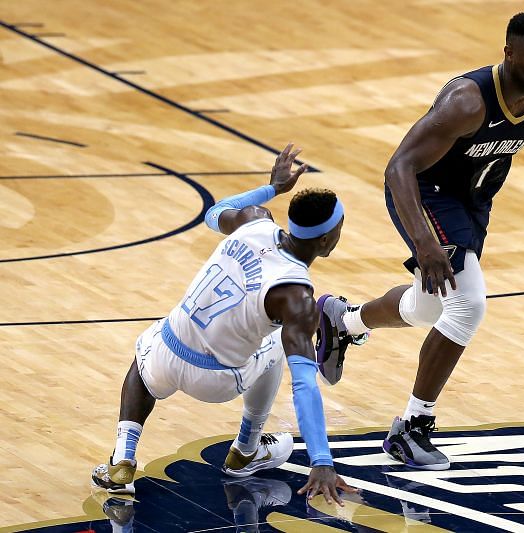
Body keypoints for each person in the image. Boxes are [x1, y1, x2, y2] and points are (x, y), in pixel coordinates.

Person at [315, 11, 524, 470]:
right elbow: (399, 168)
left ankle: (343, 322)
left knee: (431, 306)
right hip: (423, 193)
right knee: (468, 304)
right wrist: (424, 241)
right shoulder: (467, 101)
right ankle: (412, 427)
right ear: (508, 53)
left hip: (473, 202)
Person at [92, 144, 356, 505]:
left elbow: (215, 212)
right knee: (282, 343)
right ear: (326, 242)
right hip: (215, 379)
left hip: (164, 355)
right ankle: (246, 448)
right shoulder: (298, 298)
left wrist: (273, 189)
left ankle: (122, 459)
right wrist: (321, 461)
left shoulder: (255, 219)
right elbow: (304, 386)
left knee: (147, 345)